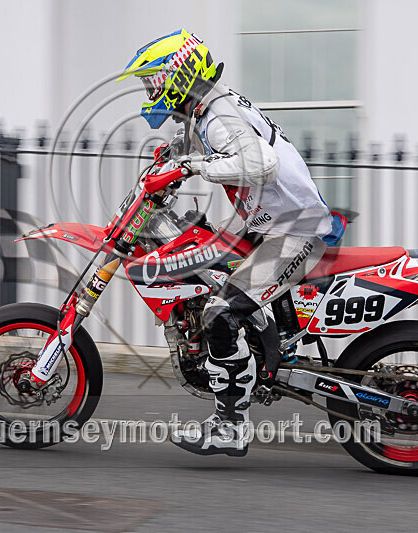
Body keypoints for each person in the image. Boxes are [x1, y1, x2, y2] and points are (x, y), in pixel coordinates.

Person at [118, 29, 345, 456]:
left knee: (220, 312)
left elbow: (259, 163)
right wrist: (168, 163)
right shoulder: (203, 112)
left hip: (293, 230)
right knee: (205, 267)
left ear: (179, 74)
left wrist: (190, 167)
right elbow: (190, 151)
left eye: (154, 80)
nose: (151, 91)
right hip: (266, 225)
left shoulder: (218, 115)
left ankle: (230, 426)